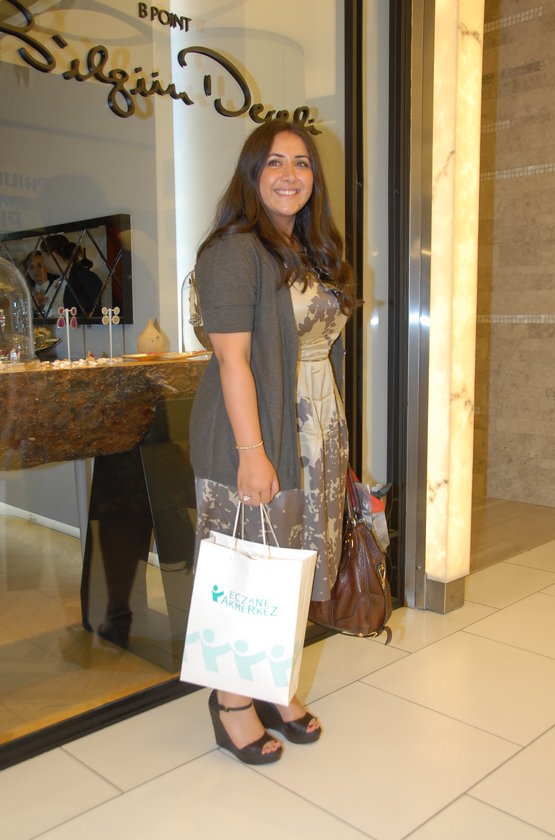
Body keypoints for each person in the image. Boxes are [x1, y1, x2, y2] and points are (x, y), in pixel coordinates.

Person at [189, 119, 353, 765]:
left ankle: (274, 684)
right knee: (249, 567)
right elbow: (233, 361)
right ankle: (231, 702)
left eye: (302, 163)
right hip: (256, 430)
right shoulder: (234, 250)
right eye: (275, 162)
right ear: (252, 174)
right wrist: (252, 455)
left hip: (313, 425)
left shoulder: (306, 248)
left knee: (291, 566)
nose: (290, 174)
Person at [40, 234, 103, 317]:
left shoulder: (87, 279)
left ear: (54, 256)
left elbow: (91, 315)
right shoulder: (55, 281)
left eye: (43, 257)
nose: (43, 263)